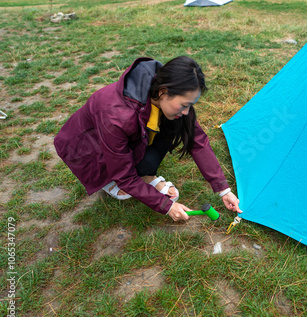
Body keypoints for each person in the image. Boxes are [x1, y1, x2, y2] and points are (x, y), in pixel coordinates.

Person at [54, 56, 242, 221]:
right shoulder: (116, 116)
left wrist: (223, 190)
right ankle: (108, 180)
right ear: (162, 92)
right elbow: (125, 175)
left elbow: (197, 140)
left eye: (191, 105)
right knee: (122, 174)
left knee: (175, 124)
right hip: (89, 150)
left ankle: (144, 175)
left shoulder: (164, 92)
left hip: (126, 137)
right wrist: (166, 206)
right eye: (184, 105)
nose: (187, 112)